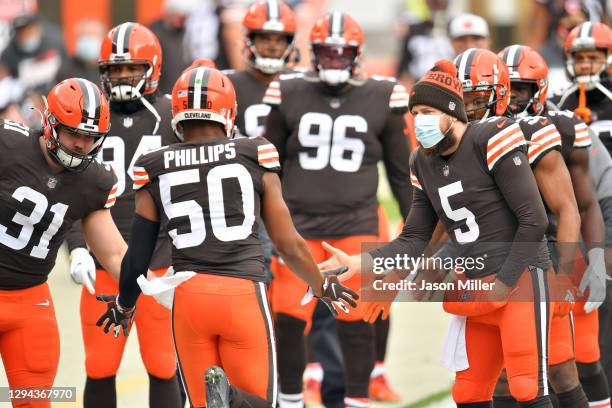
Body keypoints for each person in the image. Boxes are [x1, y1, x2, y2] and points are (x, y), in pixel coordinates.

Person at [95, 65, 358, 408]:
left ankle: (224, 399)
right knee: (260, 401)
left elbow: (138, 254)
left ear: (178, 113)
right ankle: (232, 399)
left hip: (188, 297)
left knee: (200, 403)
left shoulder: (153, 165)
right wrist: (320, 284)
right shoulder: (255, 152)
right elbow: (288, 243)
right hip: (241, 291)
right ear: (228, 112)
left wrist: (124, 303)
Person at [323, 59, 555, 407]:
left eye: (428, 110)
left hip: (521, 279)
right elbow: (414, 238)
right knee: (468, 393)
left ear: (453, 111)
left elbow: (534, 219)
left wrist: (504, 283)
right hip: (477, 286)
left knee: (527, 388)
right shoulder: (422, 160)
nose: (419, 120)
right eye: (415, 112)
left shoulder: (490, 136)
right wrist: (360, 263)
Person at [263, 11, 413, 407]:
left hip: (355, 223)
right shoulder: (288, 89)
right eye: (325, 53)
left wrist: (413, 232)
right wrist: (265, 225)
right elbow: (268, 164)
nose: (332, 60)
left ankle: (357, 399)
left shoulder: (383, 94)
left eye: (340, 53)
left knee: (355, 319)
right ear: (312, 53)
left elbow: (401, 174)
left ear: (356, 54)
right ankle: (292, 399)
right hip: (297, 228)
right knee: (289, 319)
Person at [65, 22, 181, 408]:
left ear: (153, 67)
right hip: (102, 264)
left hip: (161, 262)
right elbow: (69, 186)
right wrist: (76, 245)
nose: (122, 77)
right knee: (99, 366)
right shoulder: (89, 113)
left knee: (164, 366)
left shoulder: (172, 115)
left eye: (131, 68)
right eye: (114, 70)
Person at [0, 77, 126, 408]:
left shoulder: (94, 181)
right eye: (74, 133)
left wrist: (147, 287)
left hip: (30, 303)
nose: (81, 144)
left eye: (90, 137)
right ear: (50, 122)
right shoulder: (8, 145)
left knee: (35, 402)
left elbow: (113, 252)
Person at [551, 21, 612, 404]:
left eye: (594, 56)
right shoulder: (558, 103)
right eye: (580, 56)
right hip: (578, 211)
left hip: (608, 203)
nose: (587, 64)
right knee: (584, 305)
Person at [55, 18, 106, 84]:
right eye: (85, 35)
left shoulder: (109, 68)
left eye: (93, 35)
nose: (89, 39)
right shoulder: (66, 68)